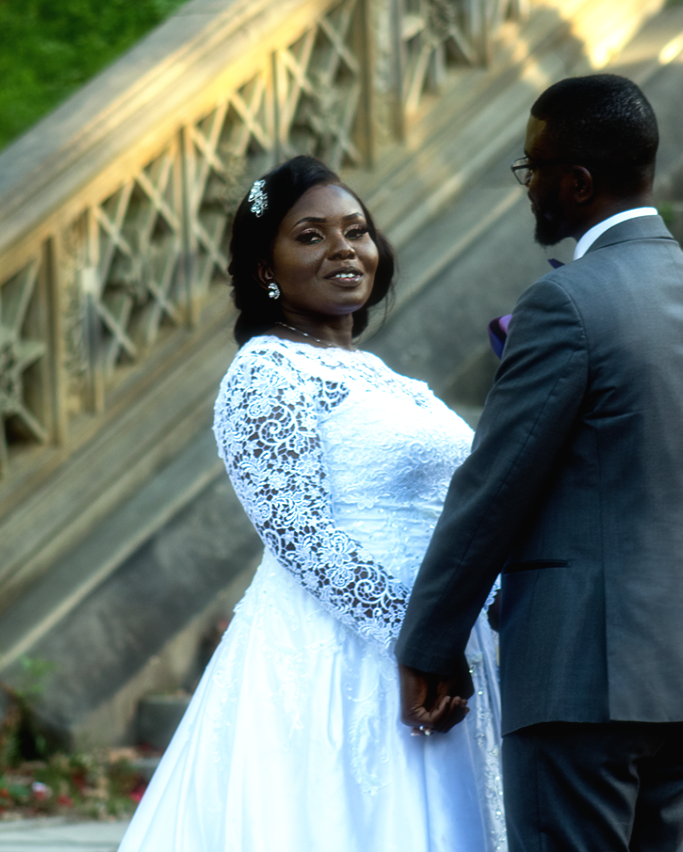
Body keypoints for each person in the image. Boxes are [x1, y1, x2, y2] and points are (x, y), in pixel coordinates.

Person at [395, 74, 683, 852]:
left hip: (584, 677)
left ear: (577, 182)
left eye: (534, 167)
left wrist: (427, 643)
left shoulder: (567, 302)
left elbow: (494, 486)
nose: (528, 186)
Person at [119, 155, 505, 852]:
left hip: (440, 641)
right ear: (264, 268)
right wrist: (418, 642)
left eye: (356, 231)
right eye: (310, 235)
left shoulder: (378, 373)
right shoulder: (265, 372)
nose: (343, 249)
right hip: (344, 656)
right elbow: (299, 532)